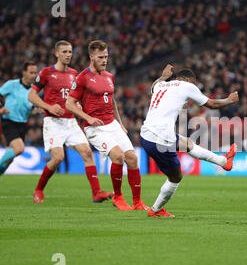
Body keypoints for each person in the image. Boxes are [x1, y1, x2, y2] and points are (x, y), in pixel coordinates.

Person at [140, 64, 239, 218]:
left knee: (186, 143)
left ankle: (223, 161)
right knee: (176, 177)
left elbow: (152, 87)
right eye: (194, 85)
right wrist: (229, 100)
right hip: (161, 139)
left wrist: (164, 76)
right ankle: (156, 209)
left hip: (145, 135)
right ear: (188, 80)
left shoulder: (161, 85)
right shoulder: (187, 86)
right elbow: (211, 104)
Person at [28, 40, 113, 204]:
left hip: (71, 121)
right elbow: (31, 96)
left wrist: (80, 105)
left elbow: (76, 97)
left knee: (87, 153)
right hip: (53, 122)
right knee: (58, 157)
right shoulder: (46, 73)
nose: (68, 55)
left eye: (70, 52)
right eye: (65, 52)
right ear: (56, 53)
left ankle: (97, 193)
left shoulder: (75, 73)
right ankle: (39, 190)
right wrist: (48, 107)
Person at [66, 40, 147, 211]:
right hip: (94, 127)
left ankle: (138, 202)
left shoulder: (109, 76)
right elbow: (70, 104)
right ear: (91, 56)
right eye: (101, 57)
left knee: (132, 158)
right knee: (118, 156)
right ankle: (118, 197)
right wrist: (87, 117)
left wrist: (121, 123)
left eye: (106, 57)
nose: (105, 60)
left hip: (112, 123)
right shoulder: (82, 78)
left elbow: (112, 101)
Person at [0, 61, 37, 177]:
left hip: (22, 124)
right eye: (31, 72)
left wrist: (38, 110)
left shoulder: (33, 91)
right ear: (24, 73)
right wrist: (1, 108)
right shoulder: (12, 84)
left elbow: (33, 107)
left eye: (35, 73)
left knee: (9, 159)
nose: (33, 75)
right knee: (19, 148)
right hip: (9, 121)